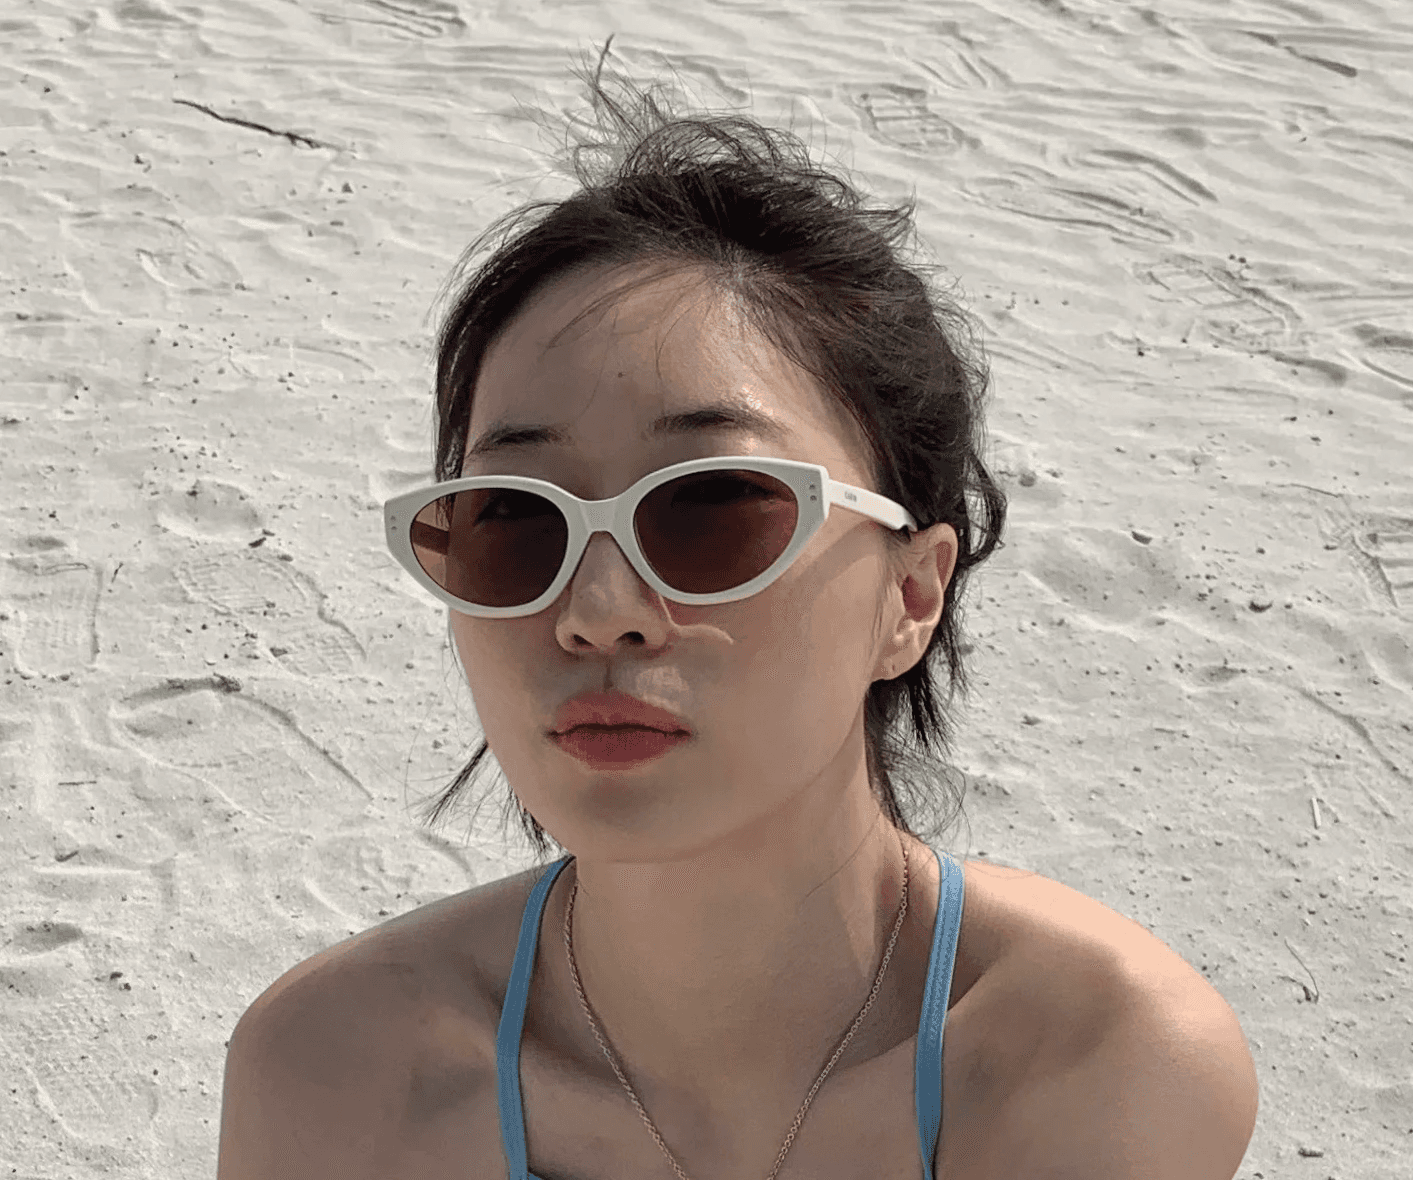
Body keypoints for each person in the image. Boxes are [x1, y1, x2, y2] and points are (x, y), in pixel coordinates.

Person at [216, 64, 1259, 1180]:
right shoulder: (336, 1079)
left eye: (711, 507)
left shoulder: (1099, 1060)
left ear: (910, 596)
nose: (598, 613)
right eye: (514, 519)